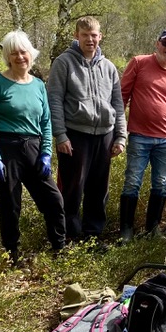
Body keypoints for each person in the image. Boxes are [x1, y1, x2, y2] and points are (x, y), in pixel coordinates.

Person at [0, 31, 66, 265]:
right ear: (8, 56)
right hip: (5, 148)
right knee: (10, 204)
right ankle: (12, 254)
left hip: (34, 148)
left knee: (53, 199)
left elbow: (46, 121)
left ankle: (60, 246)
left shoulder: (38, 85)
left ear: (31, 54)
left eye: (23, 52)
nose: (20, 57)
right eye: (14, 53)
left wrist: (46, 152)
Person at [47, 16, 127, 242]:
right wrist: (60, 135)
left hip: (104, 135)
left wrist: (121, 136)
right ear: (76, 36)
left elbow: (118, 104)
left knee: (99, 188)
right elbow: (54, 100)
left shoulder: (109, 67)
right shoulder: (64, 63)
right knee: (72, 189)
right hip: (75, 134)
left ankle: (93, 236)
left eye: (94, 35)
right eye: (85, 35)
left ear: (100, 37)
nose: (90, 40)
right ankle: (71, 236)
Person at [119, 29, 166, 242]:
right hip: (139, 136)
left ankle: (152, 229)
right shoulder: (138, 63)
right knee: (132, 182)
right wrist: (117, 129)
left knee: (161, 183)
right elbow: (122, 95)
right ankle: (126, 231)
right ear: (157, 44)